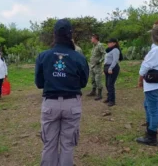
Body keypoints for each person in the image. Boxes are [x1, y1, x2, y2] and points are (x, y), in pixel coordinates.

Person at [35, 18, 89, 166]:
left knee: (49, 144)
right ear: (70, 34)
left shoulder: (43, 56)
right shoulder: (79, 57)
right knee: (67, 145)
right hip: (72, 104)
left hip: (50, 104)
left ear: (54, 34)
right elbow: (83, 83)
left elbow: (39, 83)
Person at [103, 38, 123, 107]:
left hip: (113, 68)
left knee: (110, 84)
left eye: (110, 42)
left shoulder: (115, 50)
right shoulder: (109, 50)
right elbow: (106, 59)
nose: (108, 43)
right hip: (107, 67)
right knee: (107, 84)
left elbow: (115, 60)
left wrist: (110, 68)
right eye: (108, 42)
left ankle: (112, 100)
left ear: (114, 43)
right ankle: (109, 98)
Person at [87, 34, 106, 101]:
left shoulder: (100, 45)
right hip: (92, 66)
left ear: (95, 38)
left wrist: (100, 61)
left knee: (98, 80)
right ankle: (93, 91)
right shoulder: (94, 46)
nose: (91, 39)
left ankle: (100, 94)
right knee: (93, 79)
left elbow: (104, 54)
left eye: (92, 38)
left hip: (97, 66)